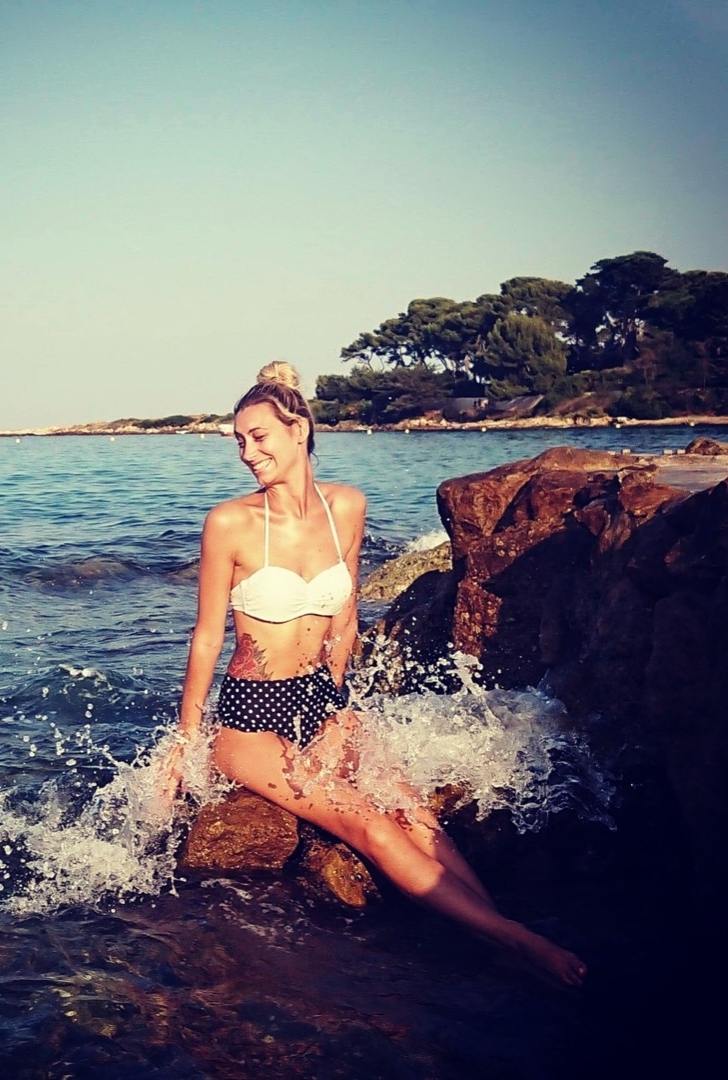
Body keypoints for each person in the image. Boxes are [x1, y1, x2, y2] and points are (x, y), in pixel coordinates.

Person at [172, 361, 587, 988]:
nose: (247, 453)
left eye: (258, 437)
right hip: (250, 718)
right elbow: (206, 638)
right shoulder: (229, 523)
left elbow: (345, 620)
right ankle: (518, 940)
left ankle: (493, 928)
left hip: (319, 698)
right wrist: (185, 739)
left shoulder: (346, 507)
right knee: (366, 821)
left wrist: (334, 707)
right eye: (239, 441)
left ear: (299, 430)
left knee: (412, 810)